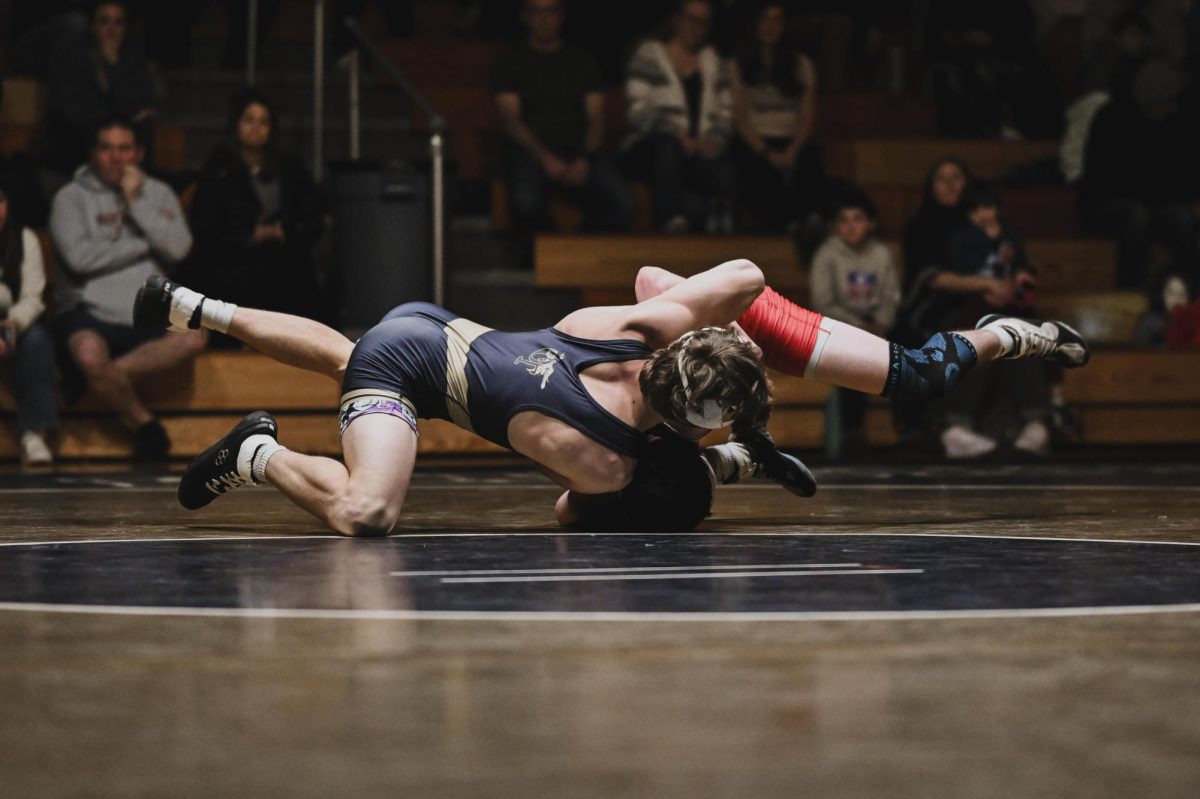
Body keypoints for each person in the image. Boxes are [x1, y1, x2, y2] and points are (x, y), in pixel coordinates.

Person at [133, 258, 797, 536]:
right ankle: (256, 452)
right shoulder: (608, 461)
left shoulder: (633, 327)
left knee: (348, 352)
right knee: (367, 511)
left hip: (433, 323)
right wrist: (708, 460)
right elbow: (569, 512)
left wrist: (728, 342)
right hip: (403, 371)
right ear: (690, 420)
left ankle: (199, 306)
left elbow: (747, 274)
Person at [49, 116, 203, 460]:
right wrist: (143, 244)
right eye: (106, 149)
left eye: (124, 149)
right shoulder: (69, 198)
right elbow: (80, 260)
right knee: (89, 352)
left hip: (147, 307)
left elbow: (179, 248)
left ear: (139, 153)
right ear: (92, 154)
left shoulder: (158, 194)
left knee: (195, 334)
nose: (116, 158)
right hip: (87, 310)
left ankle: (96, 376)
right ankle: (144, 423)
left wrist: (136, 204)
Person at [185, 89, 324, 329]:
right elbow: (208, 223)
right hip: (233, 257)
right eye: (249, 120)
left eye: (263, 122)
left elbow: (311, 214)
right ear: (236, 124)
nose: (256, 128)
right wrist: (249, 235)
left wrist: (284, 232)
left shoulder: (289, 167)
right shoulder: (218, 167)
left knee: (298, 277)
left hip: (284, 253)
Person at [492, 0, 634, 232]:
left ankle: (582, 249)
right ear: (525, 17)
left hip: (579, 152)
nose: (545, 19)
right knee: (526, 203)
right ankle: (546, 256)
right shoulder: (511, 61)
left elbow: (596, 117)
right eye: (537, 12)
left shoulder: (581, 61)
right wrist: (546, 158)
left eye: (551, 11)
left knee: (624, 204)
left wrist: (585, 158)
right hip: (531, 154)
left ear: (562, 16)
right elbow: (511, 120)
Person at [938, 182, 1052, 457]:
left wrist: (1022, 279)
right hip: (975, 308)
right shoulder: (963, 237)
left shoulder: (1012, 235)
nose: (983, 215)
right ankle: (958, 428)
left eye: (988, 208)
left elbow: (1024, 265)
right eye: (976, 211)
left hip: (1013, 308)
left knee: (1030, 342)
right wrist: (985, 284)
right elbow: (962, 269)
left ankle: (1036, 423)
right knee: (972, 347)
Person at [1080, 59, 1199, 289]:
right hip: (1109, 205)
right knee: (1136, 217)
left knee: (1181, 218)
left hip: (1158, 204)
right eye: (1166, 102)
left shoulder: (1175, 122)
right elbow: (1110, 182)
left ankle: (1192, 291)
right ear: (1150, 101)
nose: (1172, 107)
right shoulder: (1112, 119)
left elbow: (1181, 172)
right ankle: (1128, 292)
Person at [621, 0, 737, 233]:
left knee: (724, 173)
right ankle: (670, 223)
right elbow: (637, 111)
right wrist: (674, 132)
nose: (696, 28)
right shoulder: (650, 56)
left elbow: (726, 112)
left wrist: (711, 142)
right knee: (669, 148)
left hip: (699, 149)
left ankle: (723, 238)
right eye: (691, 20)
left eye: (703, 23)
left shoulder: (713, 62)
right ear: (676, 20)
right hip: (652, 146)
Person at [808, 189, 901, 449]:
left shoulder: (881, 254)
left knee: (908, 341)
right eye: (844, 220)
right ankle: (852, 431)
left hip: (877, 324)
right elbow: (822, 302)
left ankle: (909, 427)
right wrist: (858, 327)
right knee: (850, 353)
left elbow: (891, 297)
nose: (850, 227)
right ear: (836, 226)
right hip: (839, 325)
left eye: (857, 219)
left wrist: (881, 323)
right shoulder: (826, 254)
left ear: (870, 224)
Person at [729, 3, 828, 233]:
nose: (770, 27)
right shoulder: (739, 63)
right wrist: (766, 152)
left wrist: (792, 151)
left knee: (810, 161)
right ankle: (783, 225)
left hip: (793, 139)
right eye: (764, 19)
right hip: (755, 141)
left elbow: (808, 118)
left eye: (776, 20)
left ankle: (807, 221)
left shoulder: (801, 64)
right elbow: (740, 118)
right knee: (756, 169)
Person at [45, 1, 158, 177]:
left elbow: (142, 107)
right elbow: (77, 112)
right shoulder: (73, 59)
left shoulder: (133, 60)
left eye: (118, 22)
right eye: (104, 21)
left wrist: (112, 64)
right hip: (78, 146)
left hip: (122, 144)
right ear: (92, 26)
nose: (111, 29)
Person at [0, 177, 59, 467]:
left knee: (37, 341)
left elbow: (33, 296)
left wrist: (11, 327)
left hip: (11, 322)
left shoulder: (24, 239)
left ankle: (34, 432)